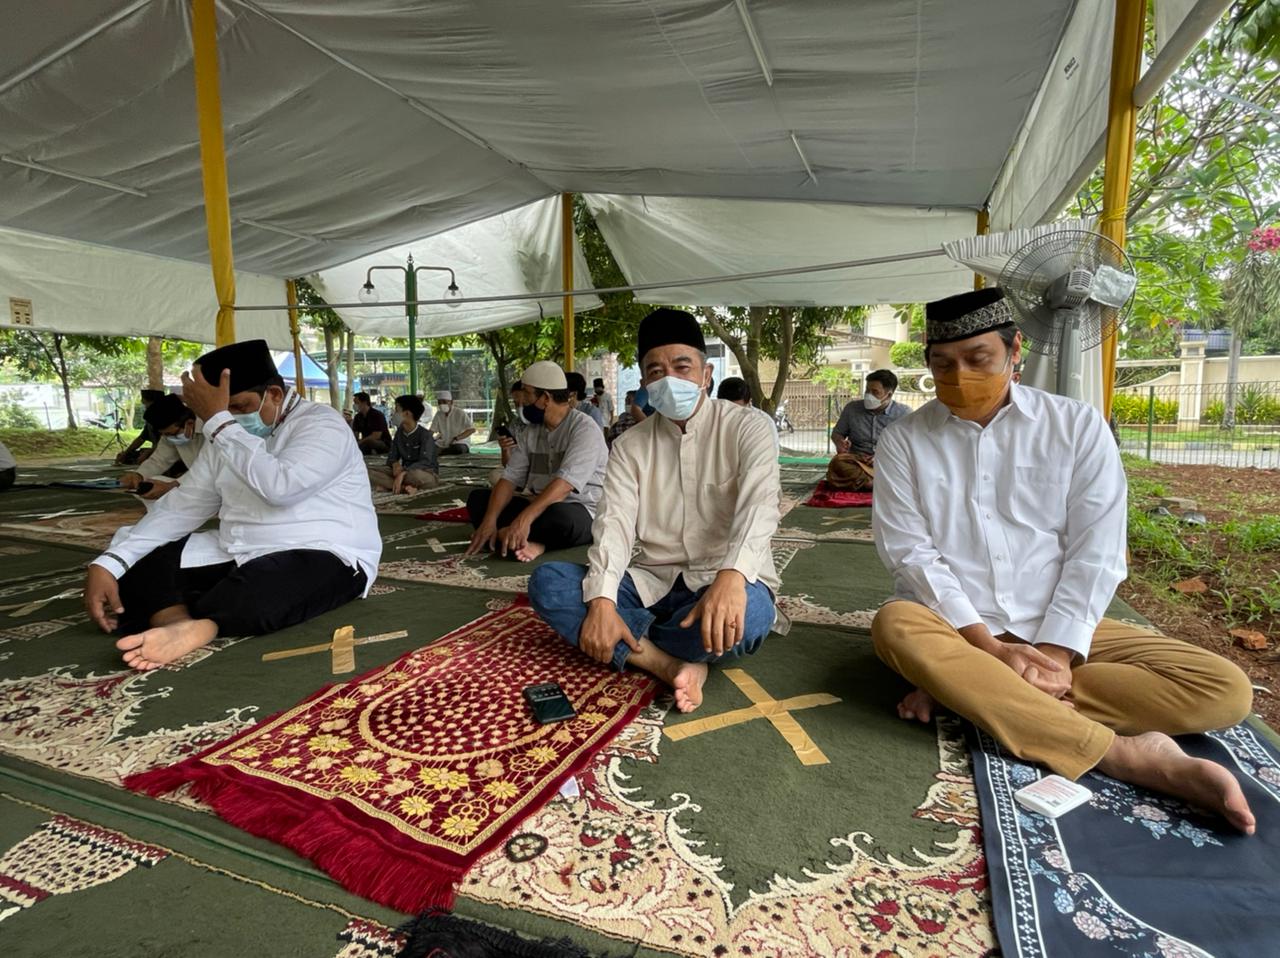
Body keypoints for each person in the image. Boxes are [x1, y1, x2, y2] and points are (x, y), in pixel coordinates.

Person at [871, 287, 1256, 835]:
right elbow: (911, 553)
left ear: (1014, 351)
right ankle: (1123, 753)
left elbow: (1096, 547)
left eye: (977, 359)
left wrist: (1055, 653)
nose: (960, 376)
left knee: (1223, 689)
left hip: (1060, 624)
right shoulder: (904, 440)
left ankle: (967, 693)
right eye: (942, 364)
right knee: (895, 625)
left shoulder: (1076, 426)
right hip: (957, 629)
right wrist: (988, 650)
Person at [528, 308, 782, 713]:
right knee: (549, 582)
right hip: (651, 582)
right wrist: (603, 602)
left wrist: (733, 575)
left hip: (724, 578)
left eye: (682, 367)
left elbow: (760, 506)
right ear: (645, 382)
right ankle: (668, 663)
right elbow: (613, 525)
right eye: (656, 371)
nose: (669, 380)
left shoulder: (747, 427)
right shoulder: (630, 446)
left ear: (706, 374)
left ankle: (630, 641)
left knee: (750, 616)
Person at [83, 340, 382, 671]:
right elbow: (184, 504)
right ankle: (177, 623)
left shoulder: (321, 424)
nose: (233, 418)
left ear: (274, 394)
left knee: (263, 591)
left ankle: (205, 623)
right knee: (136, 563)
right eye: (223, 412)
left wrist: (220, 424)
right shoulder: (223, 434)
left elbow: (281, 488)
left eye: (239, 407)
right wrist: (109, 563)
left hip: (323, 550)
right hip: (238, 549)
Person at [465, 361, 608, 562]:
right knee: (478, 500)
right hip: (536, 504)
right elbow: (509, 478)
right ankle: (516, 536)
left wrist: (523, 520)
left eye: (526, 392)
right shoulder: (532, 431)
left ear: (545, 398)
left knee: (561, 518)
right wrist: (490, 520)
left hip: (578, 508)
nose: (521, 400)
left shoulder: (584, 429)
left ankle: (522, 538)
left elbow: (564, 487)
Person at [828, 369, 908, 491]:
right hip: (859, 462)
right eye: (867, 390)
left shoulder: (904, 413)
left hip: (889, 461)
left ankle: (868, 483)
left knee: (908, 468)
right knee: (837, 463)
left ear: (889, 394)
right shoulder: (852, 409)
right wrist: (840, 444)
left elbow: (908, 446)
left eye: (875, 392)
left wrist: (882, 456)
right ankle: (879, 484)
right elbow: (837, 433)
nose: (868, 395)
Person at [119, 394, 205, 501]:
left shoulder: (210, 429)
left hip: (217, 482)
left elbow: (207, 469)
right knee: (149, 483)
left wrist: (172, 485)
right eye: (165, 434)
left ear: (190, 423)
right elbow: (159, 460)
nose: (168, 437)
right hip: (196, 481)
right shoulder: (170, 435)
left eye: (171, 433)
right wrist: (139, 475)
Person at [368, 395, 439, 494]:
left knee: (416, 476)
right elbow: (392, 457)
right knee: (367, 472)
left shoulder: (425, 435)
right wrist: (395, 464)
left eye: (396, 410)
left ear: (407, 413)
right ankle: (402, 488)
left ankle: (392, 485)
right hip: (401, 472)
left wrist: (403, 473)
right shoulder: (399, 433)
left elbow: (426, 462)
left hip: (422, 474)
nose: (394, 414)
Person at [717, 377, 779, 449]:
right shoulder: (713, 419)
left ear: (749, 403)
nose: (732, 414)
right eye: (728, 409)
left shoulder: (762, 424)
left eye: (737, 410)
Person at [115, 389, 165, 465]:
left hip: (167, 453)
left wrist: (149, 452)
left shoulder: (166, 419)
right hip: (157, 451)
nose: (145, 406)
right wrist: (126, 453)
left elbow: (168, 443)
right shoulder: (151, 420)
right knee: (128, 456)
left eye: (145, 403)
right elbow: (141, 438)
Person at [431, 390, 474, 455]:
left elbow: (471, 429)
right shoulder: (438, 414)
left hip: (460, 442)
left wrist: (457, 438)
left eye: (444, 402)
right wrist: (425, 439)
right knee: (429, 448)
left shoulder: (460, 413)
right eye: (439, 402)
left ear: (451, 402)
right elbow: (432, 430)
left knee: (458, 449)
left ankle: (442, 452)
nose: (441, 404)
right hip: (444, 443)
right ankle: (442, 451)